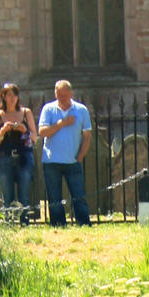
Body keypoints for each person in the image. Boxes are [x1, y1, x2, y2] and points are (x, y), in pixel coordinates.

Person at [37, 79, 93, 226]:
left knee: (78, 195)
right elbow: (42, 132)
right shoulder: (48, 109)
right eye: (59, 95)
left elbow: (87, 135)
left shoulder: (81, 110)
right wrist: (61, 124)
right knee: (54, 197)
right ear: (55, 94)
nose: (62, 99)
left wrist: (81, 155)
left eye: (65, 96)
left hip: (73, 160)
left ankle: (83, 223)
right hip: (51, 161)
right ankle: (58, 224)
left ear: (71, 94)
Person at [0, 83, 37, 219]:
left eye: (15, 95)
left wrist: (25, 130)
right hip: (4, 157)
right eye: (9, 95)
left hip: (24, 157)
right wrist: (3, 130)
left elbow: (34, 137)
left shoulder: (25, 112)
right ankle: (9, 223)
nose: (12, 98)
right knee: (7, 196)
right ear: (3, 97)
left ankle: (25, 222)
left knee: (24, 195)